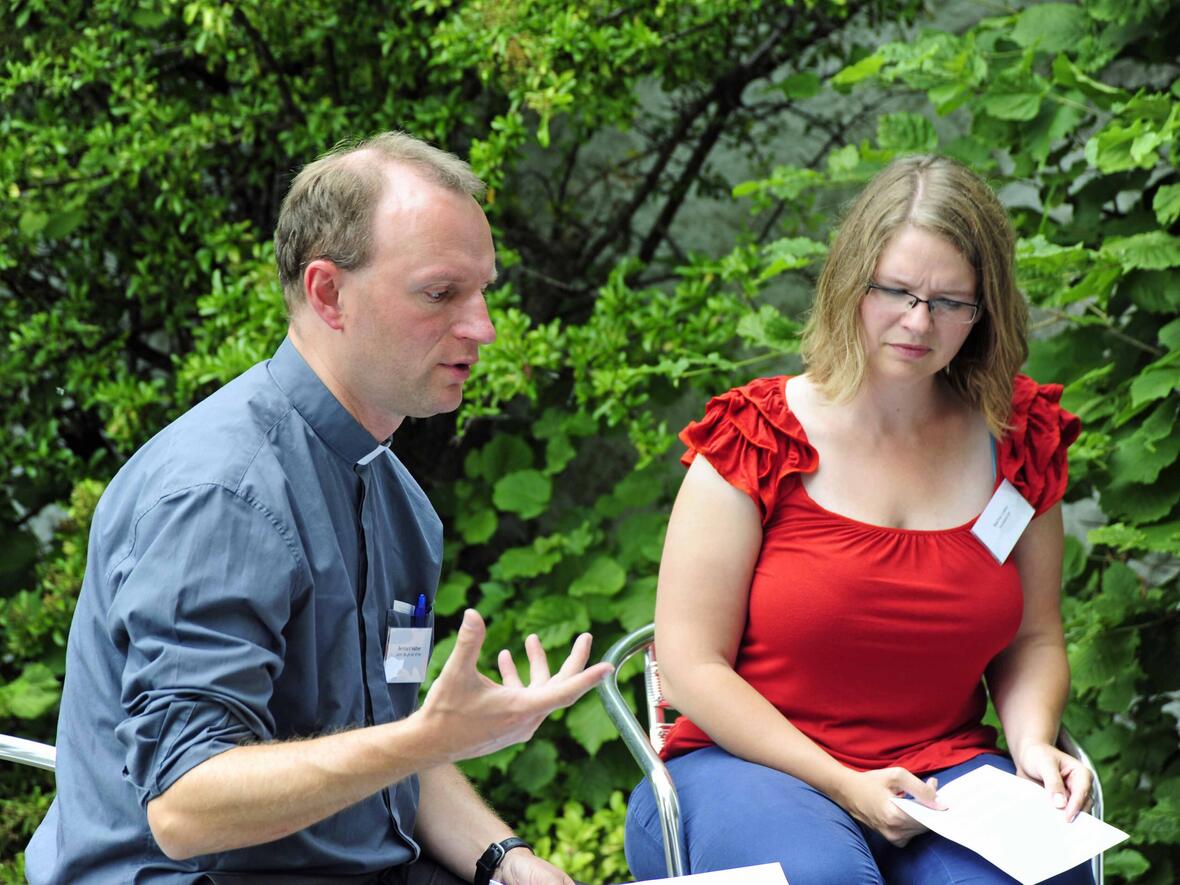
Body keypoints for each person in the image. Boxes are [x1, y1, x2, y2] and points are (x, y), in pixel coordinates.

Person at [27, 131, 612, 884]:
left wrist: (508, 860)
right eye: (441, 293)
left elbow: (385, 744)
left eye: (484, 291)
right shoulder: (224, 494)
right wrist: (430, 737)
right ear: (328, 293)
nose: (482, 327)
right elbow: (185, 805)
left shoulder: (396, 498)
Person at [624, 155, 1093, 884]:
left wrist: (1032, 741)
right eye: (897, 291)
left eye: (950, 301)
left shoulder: (1018, 441)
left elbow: (1032, 637)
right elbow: (689, 667)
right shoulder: (757, 438)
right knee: (824, 878)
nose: (918, 320)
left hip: (945, 773)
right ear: (851, 281)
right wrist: (845, 782)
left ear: (985, 309)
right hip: (746, 767)